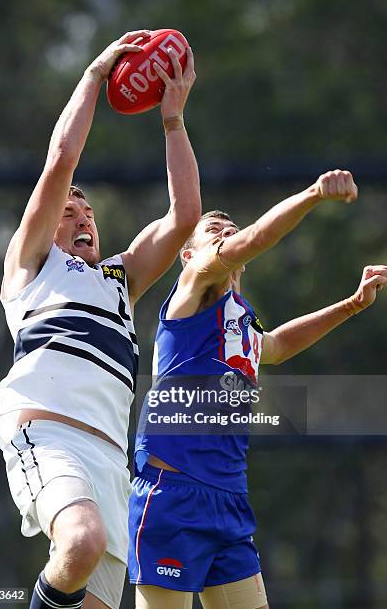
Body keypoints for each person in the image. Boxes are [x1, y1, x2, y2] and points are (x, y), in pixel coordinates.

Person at [0, 31, 200, 609]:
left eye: (89, 212)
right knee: (80, 543)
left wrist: (173, 123)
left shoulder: (118, 279)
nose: (83, 217)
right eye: (69, 211)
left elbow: (185, 217)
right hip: (47, 431)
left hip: (112, 459)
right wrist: (93, 76)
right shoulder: (31, 263)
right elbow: (62, 158)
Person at [128, 170, 387, 609]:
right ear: (187, 255)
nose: (227, 236)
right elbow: (252, 241)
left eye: (231, 231)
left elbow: (278, 346)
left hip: (227, 500)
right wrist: (311, 194)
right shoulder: (192, 290)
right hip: (173, 495)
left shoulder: (241, 315)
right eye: (214, 232)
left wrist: (353, 304)